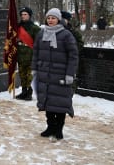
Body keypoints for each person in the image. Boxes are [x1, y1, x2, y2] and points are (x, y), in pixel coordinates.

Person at [32, 8, 79, 140]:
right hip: (45, 74)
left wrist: (70, 74)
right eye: (48, 18)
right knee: (48, 103)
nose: (50, 20)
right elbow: (35, 53)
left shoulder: (66, 35)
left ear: (58, 19)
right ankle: (50, 127)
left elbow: (73, 56)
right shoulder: (41, 34)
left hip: (60, 75)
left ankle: (59, 129)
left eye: (53, 18)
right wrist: (34, 68)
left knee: (60, 103)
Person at [16, 7, 40, 101]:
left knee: (29, 76)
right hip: (20, 55)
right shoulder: (18, 27)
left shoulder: (35, 28)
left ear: (29, 15)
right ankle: (23, 91)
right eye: (22, 15)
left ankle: (29, 93)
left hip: (30, 55)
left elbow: (38, 43)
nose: (23, 16)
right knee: (22, 75)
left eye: (25, 14)